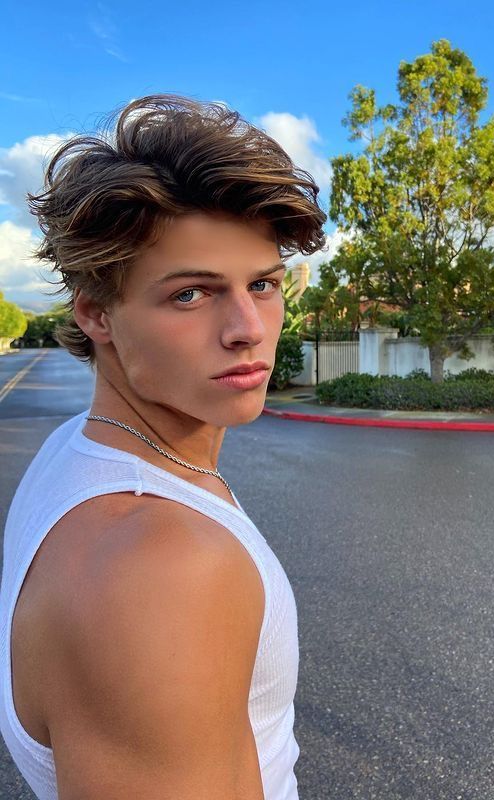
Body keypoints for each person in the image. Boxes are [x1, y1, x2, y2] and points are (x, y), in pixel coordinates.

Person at [0, 94, 326, 800]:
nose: (248, 328)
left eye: (263, 284)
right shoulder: (160, 569)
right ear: (95, 312)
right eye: (191, 294)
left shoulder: (76, 448)